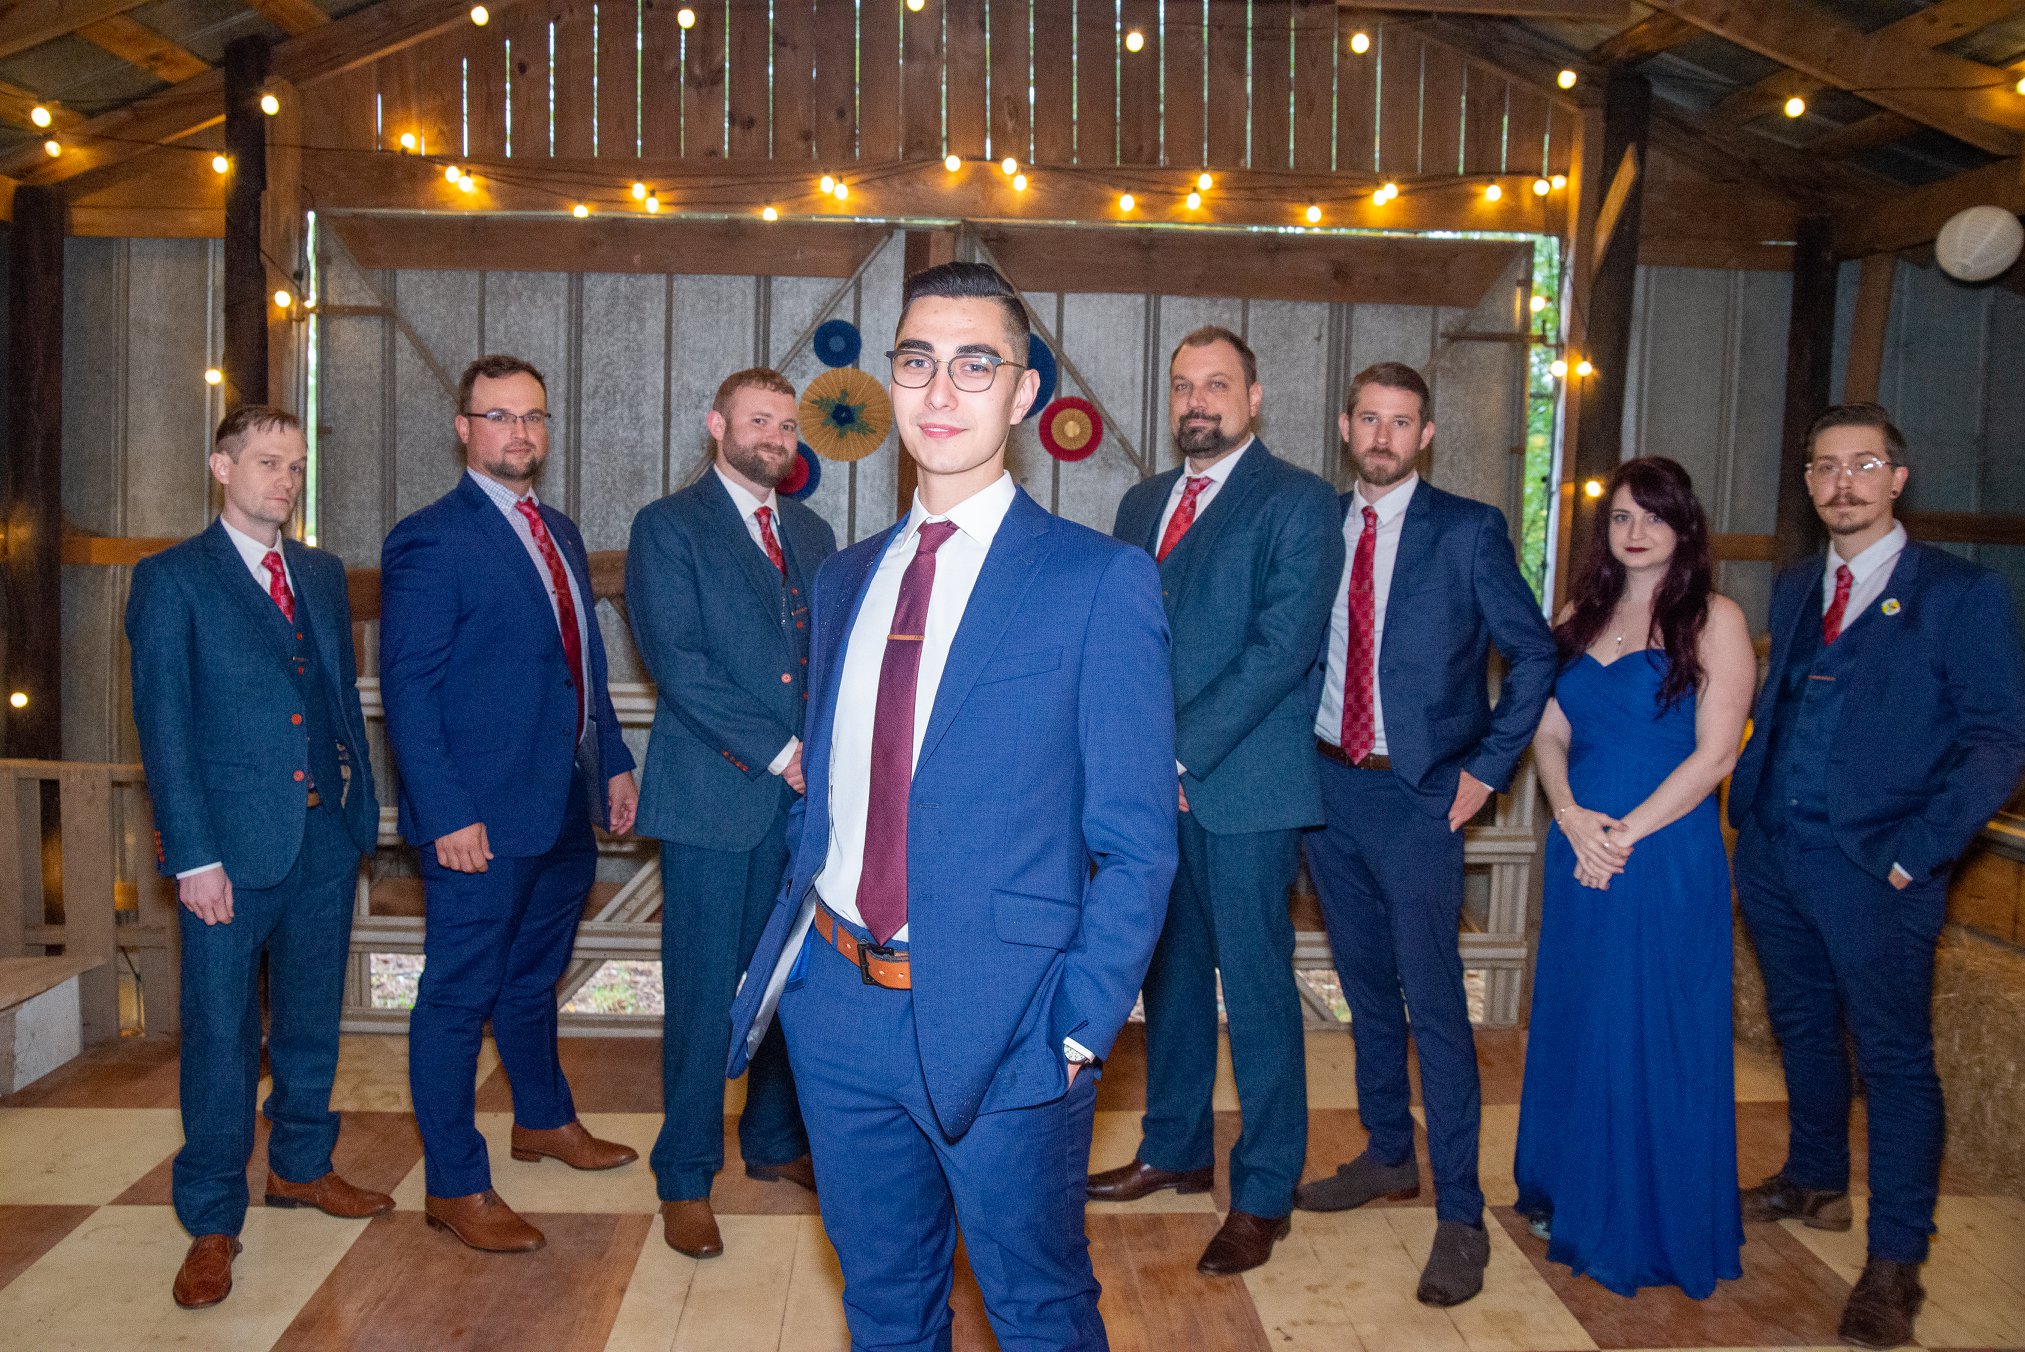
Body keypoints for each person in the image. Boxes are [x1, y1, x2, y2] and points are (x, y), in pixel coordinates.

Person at [726, 261, 1177, 1350]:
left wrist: (1078, 1028)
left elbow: (1139, 844)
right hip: (838, 1009)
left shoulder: (1095, 580)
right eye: (918, 361)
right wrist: (802, 976)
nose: (941, 390)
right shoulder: (846, 576)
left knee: (1037, 1311)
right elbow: (835, 793)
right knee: (885, 1306)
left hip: (1014, 1020)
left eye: (977, 365)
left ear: (1023, 394)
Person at [1729, 403, 2025, 1349]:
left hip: (1876, 867)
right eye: (1824, 467)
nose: (1841, 483)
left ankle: (1896, 1262)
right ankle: (1814, 1180)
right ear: (1808, 484)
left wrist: (1917, 850)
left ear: (1896, 478)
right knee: (1802, 1026)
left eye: (1861, 465)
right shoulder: (1794, 586)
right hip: (1775, 851)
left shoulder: (1960, 594)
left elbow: (1998, 739)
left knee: (1894, 1061)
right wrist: (1749, 824)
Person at [1295, 361, 1558, 1306]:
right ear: (1345, 426)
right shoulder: (1316, 524)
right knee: (1363, 988)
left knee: (1435, 1006)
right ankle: (1385, 1153)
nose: (1382, 436)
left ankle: (1460, 1213)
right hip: (1327, 788)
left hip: (1419, 801)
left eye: (1401, 422)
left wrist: (1485, 769)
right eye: (1369, 418)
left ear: (1426, 435)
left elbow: (1534, 653)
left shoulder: (1467, 529)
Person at [1086, 326, 1343, 1276]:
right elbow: (1118, 639)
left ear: (1254, 397)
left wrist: (1176, 756)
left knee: (1259, 991)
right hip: (1147, 789)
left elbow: (1282, 648)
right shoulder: (1141, 502)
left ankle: (1264, 1190)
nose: (1197, 401)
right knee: (1170, 977)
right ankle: (1174, 1148)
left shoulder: (1299, 501)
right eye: (1183, 386)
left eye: (1217, 385)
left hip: (1242, 787)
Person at [126, 406, 392, 1309]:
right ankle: (211, 1218)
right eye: (268, 462)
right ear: (221, 467)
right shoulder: (172, 579)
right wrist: (191, 856)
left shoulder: (317, 573)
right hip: (227, 855)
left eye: (296, 466)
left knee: (312, 1021)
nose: (285, 480)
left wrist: (359, 813)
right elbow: (163, 728)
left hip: (323, 839)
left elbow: (337, 699)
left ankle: (302, 1167)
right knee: (221, 1034)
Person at [380, 354, 641, 1254]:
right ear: (464, 428)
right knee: (456, 999)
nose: (519, 432)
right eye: (499, 416)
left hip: (562, 801)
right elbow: (408, 691)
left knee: (532, 979)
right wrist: (447, 813)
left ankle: (543, 1119)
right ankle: (456, 1184)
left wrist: (612, 760)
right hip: (479, 819)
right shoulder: (430, 538)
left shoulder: (556, 529)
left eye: (532, 416)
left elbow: (583, 664)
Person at [1516, 456, 1753, 1298]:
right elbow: (1546, 730)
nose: (1636, 530)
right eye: (1620, 516)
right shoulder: (1576, 616)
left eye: (1653, 515)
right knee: (1582, 1018)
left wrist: (1622, 834)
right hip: (1579, 843)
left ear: (1683, 525)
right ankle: (1572, 1190)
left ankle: (1650, 1218)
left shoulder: (1714, 618)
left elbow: (1716, 754)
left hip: (1661, 855)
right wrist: (1570, 814)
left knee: (1651, 1026)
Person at [626, 367, 835, 1258]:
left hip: (801, 808)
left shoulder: (813, 533)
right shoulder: (668, 526)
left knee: (790, 981)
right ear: (717, 426)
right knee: (704, 996)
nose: (774, 438)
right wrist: (785, 752)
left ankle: (774, 1141)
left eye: (786, 425)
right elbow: (679, 663)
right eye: (758, 421)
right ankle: (683, 1175)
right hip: (714, 800)